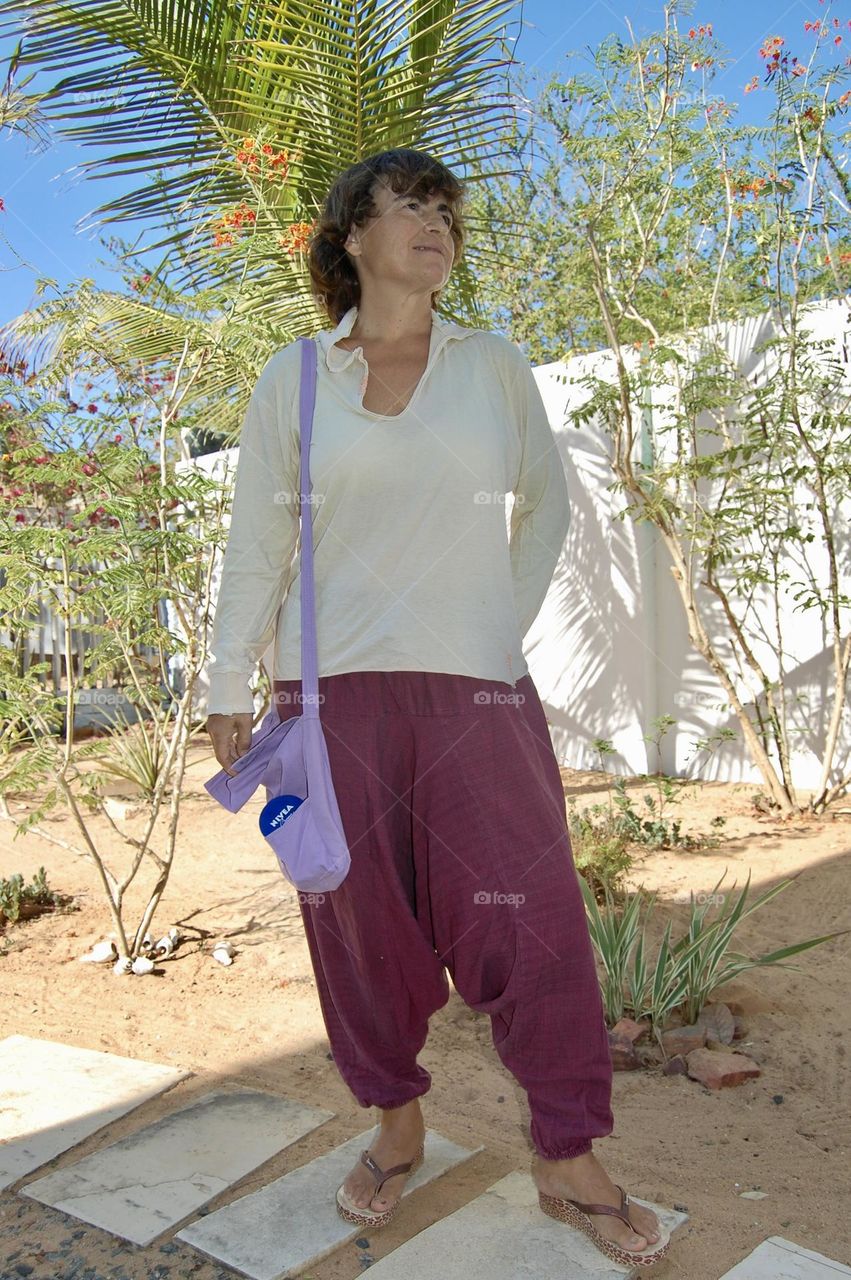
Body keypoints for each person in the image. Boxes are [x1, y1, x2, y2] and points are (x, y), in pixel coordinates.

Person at [206, 147, 667, 1266]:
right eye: (406, 206)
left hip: (474, 689)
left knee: (532, 914)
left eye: (445, 211)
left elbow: (545, 506)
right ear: (350, 239)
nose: (433, 224)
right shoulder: (295, 377)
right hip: (328, 694)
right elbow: (260, 538)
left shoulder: (491, 366)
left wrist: (489, 630)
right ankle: (395, 1117)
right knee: (354, 917)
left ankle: (565, 1151)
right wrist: (228, 682)